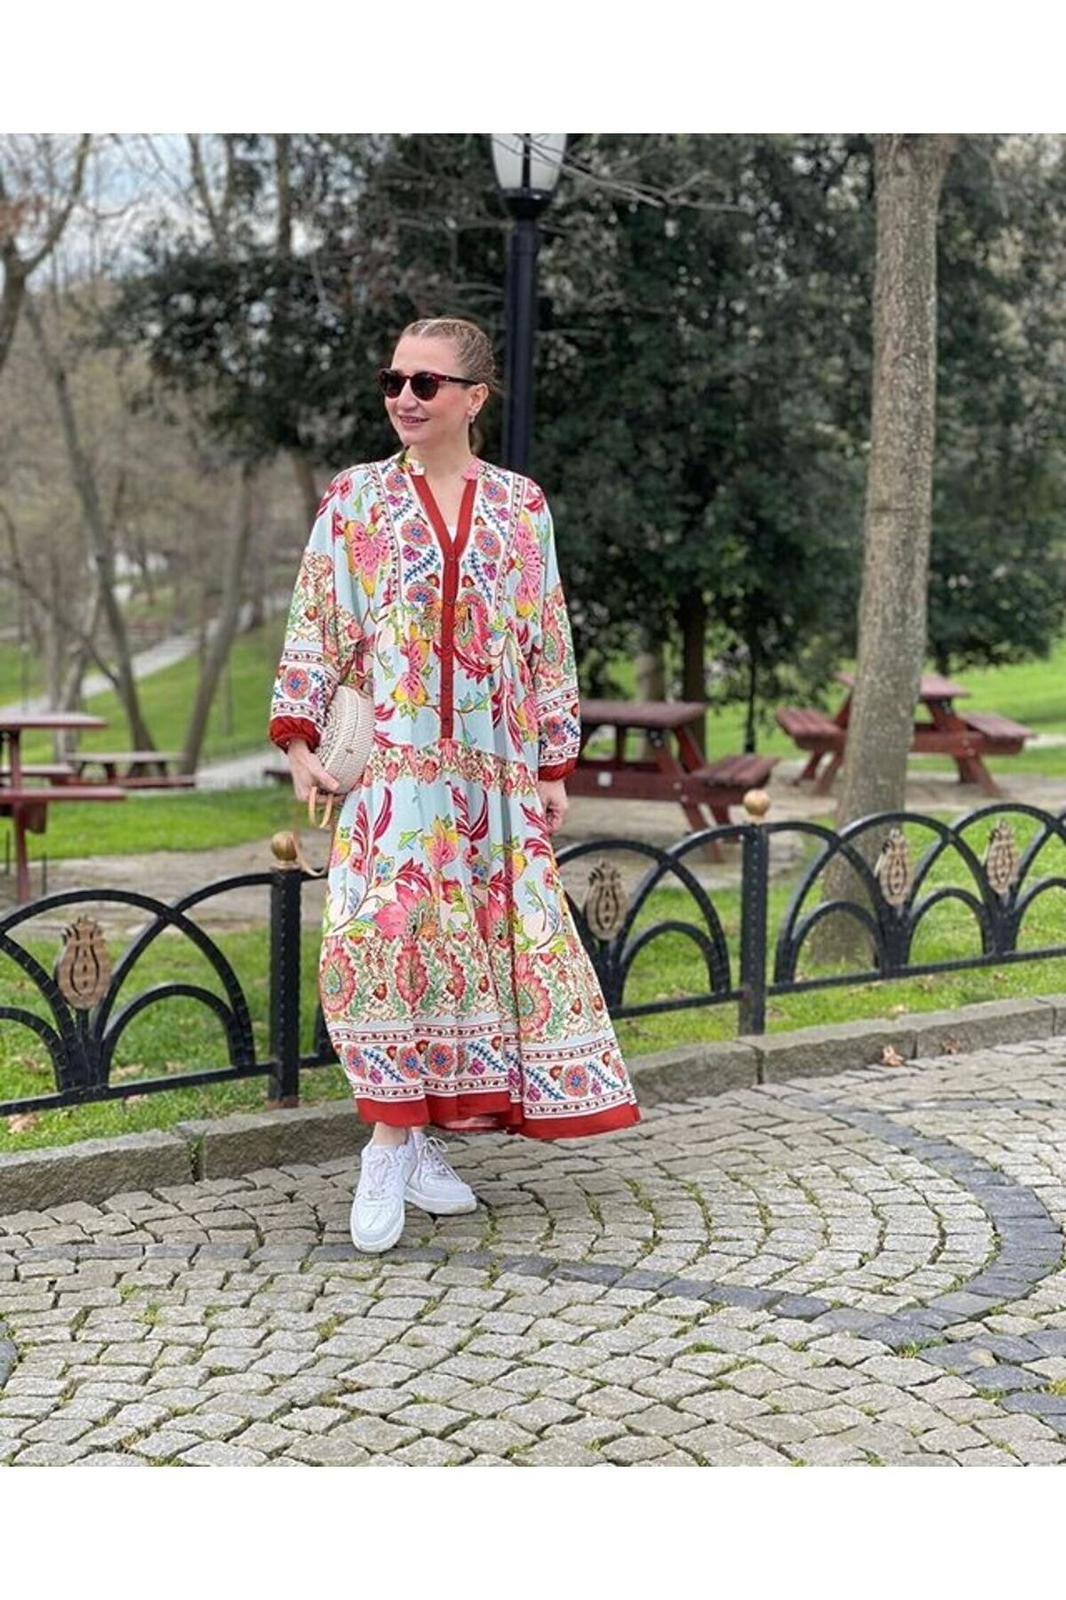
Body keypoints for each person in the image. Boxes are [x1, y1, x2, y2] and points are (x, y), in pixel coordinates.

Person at [269, 315, 640, 1255]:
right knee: (383, 940)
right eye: (393, 380)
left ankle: (417, 1139)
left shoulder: (520, 507)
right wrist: (300, 739)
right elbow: (319, 619)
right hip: (392, 775)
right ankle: (388, 1146)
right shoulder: (355, 500)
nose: (404, 397)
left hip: (494, 773)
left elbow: (546, 635)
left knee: (472, 947)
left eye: (425, 383)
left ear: (474, 398)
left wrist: (553, 762)